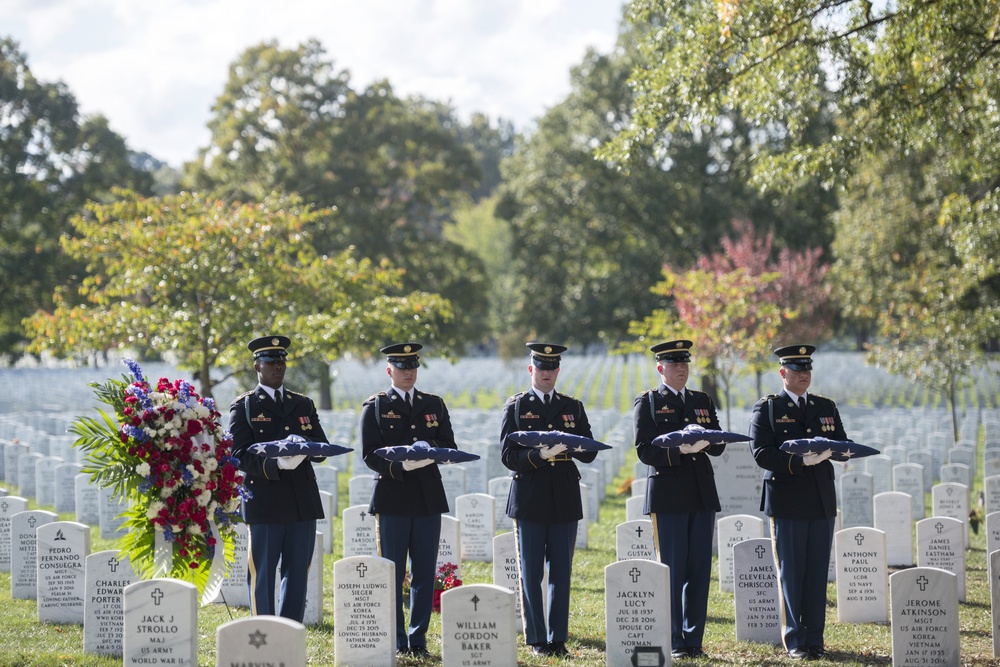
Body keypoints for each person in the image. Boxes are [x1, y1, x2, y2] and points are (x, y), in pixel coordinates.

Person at [749, 344, 847, 660]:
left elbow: (842, 443)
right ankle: (795, 639)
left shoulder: (825, 406)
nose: (803, 374)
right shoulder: (768, 409)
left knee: (817, 572)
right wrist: (799, 462)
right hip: (787, 499)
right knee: (791, 572)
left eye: (807, 369)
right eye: (796, 369)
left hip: (820, 498)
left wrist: (842, 453)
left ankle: (814, 638)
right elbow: (761, 453)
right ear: (783, 373)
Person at [500, 342, 597, 658]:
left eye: (552, 367)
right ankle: (537, 639)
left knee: (561, 574)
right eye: (541, 367)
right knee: (531, 572)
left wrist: (575, 448)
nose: (546, 373)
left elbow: (591, 450)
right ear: (531, 369)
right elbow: (507, 455)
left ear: (558, 370)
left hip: (564, 496)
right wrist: (538, 454)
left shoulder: (573, 407)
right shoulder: (516, 407)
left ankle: (557, 638)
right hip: (530, 497)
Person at [359, 342, 456, 658]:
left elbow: (448, 444)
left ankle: (418, 639)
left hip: (427, 498)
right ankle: (398, 640)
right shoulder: (375, 407)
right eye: (402, 368)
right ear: (390, 370)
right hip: (393, 498)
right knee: (393, 572)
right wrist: (400, 466)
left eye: (412, 367)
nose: (408, 373)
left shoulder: (434, 404)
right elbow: (369, 455)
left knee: (425, 573)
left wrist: (429, 455)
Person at [633, 339, 725, 659]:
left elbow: (719, 442)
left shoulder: (701, 400)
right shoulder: (649, 402)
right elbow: (645, 450)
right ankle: (674, 639)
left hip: (701, 494)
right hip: (669, 496)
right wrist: (679, 450)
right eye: (674, 365)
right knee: (671, 571)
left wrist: (706, 444)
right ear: (661, 369)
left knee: (699, 571)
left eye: (685, 364)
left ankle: (693, 639)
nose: (681, 369)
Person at [230, 335, 328, 622]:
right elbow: (239, 455)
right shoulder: (245, 407)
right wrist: (276, 465)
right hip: (265, 500)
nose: (278, 367)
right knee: (262, 574)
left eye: (282, 361)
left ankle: (290, 632)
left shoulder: (302, 404)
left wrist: (303, 449)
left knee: (298, 574)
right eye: (271, 362)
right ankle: (264, 631)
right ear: (257, 366)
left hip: (301, 501)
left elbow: (320, 448)